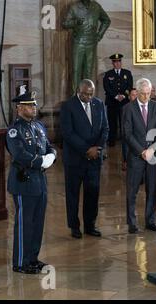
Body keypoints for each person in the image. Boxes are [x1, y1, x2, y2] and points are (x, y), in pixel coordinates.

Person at [6, 89, 57, 274]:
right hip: (23, 181)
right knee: (24, 224)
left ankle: (33, 258)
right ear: (19, 108)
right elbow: (19, 154)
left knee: (37, 224)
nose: (34, 108)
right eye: (29, 105)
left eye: (34, 104)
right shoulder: (14, 130)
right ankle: (20, 262)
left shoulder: (38, 127)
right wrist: (40, 161)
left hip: (40, 182)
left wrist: (52, 156)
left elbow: (49, 146)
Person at [60, 79, 109, 239]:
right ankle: (74, 226)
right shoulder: (68, 106)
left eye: (91, 94)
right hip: (75, 159)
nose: (89, 97)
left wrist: (97, 148)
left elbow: (105, 129)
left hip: (94, 159)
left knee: (92, 193)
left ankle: (90, 225)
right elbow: (68, 133)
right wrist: (87, 149)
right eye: (85, 94)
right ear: (78, 91)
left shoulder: (99, 104)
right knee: (73, 194)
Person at [122, 78, 156, 234]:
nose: (147, 97)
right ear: (138, 92)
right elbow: (127, 134)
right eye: (144, 94)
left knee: (152, 189)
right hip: (135, 156)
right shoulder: (129, 108)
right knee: (132, 190)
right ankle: (132, 223)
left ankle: (151, 220)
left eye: (149, 93)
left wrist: (152, 150)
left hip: (152, 155)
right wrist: (142, 151)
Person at [62, 0, 111, 93]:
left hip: (91, 43)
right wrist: (75, 22)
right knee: (76, 71)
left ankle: (88, 96)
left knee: (88, 72)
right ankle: (75, 97)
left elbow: (106, 20)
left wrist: (99, 35)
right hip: (78, 42)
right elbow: (65, 23)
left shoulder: (96, 6)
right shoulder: (74, 7)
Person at [103, 53, 133, 147]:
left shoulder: (127, 73)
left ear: (121, 62)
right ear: (112, 63)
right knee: (112, 122)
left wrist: (123, 95)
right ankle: (112, 141)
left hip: (124, 102)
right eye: (115, 62)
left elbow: (129, 86)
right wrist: (116, 96)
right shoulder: (108, 74)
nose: (117, 64)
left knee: (125, 122)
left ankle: (126, 140)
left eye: (119, 61)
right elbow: (106, 88)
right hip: (112, 102)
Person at [121, 88, 137, 171]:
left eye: (136, 95)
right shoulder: (125, 107)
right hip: (128, 133)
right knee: (126, 142)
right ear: (129, 97)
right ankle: (126, 161)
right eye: (133, 95)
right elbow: (123, 123)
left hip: (138, 133)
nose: (135, 97)